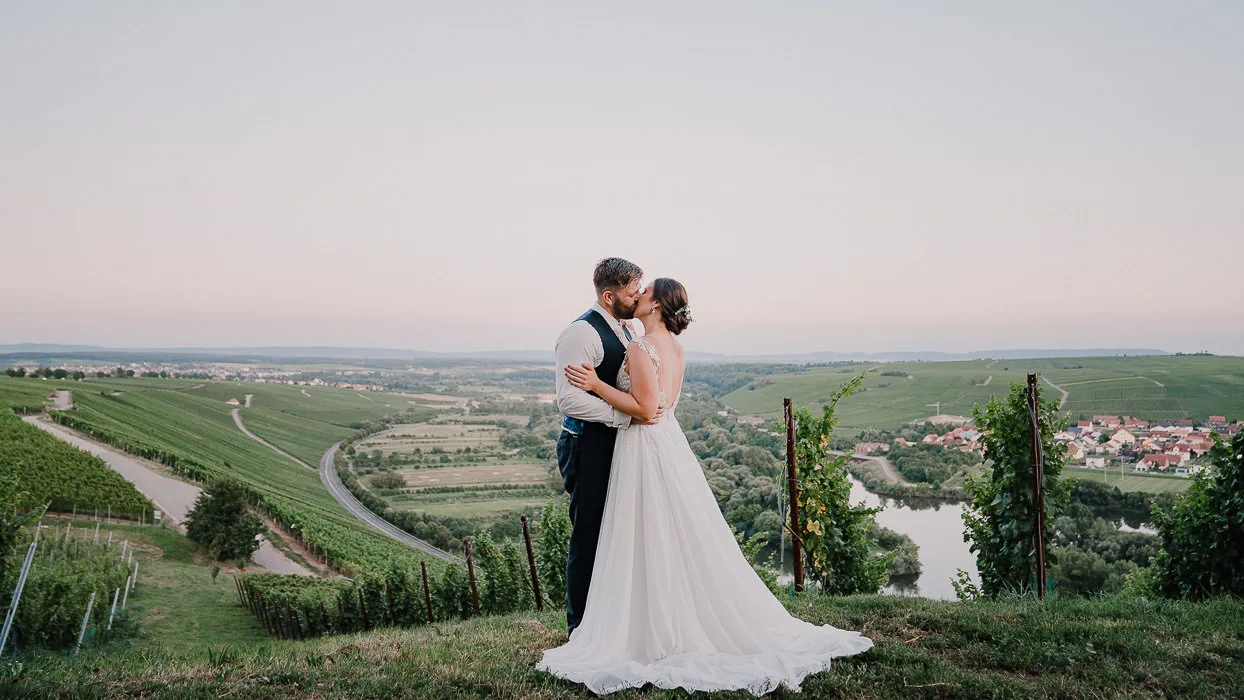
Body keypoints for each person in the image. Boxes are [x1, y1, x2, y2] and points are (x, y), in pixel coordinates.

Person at [538, 276, 873, 696]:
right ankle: (658, 615)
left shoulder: (642, 347)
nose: (638, 296)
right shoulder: (675, 349)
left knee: (644, 533)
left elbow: (645, 410)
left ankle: (646, 627)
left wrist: (597, 385)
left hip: (643, 445)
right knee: (669, 534)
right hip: (669, 447)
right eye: (634, 290)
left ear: (657, 306)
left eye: (644, 292)